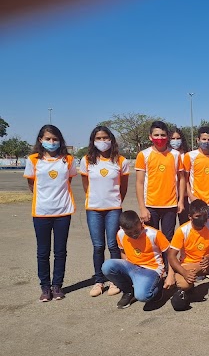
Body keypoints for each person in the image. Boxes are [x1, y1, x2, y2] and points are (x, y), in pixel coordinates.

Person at [24, 124, 77, 302]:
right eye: (48, 139)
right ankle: (45, 287)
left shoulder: (68, 159)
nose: (52, 142)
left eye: (55, 139)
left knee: (60, 251)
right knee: (43, 252)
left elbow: (68, 180)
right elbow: (32, 184)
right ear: (41, 140)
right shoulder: (33, 160)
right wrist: (45, 199)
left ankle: (57, 286)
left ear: (60, 140)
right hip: (41, 212)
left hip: (63, 211)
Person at [79, 125, 130, 297]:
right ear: (93, 141)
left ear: (111, 140)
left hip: (113, 209)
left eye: (105, 138)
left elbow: (123, 187)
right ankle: (99, 281)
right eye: (98, 138)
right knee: (98, 246)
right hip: (93, 208)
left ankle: (116, 281)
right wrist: (95, 198)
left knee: (113, 245)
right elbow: (86, 185)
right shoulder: (86, 160)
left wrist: (114, 200)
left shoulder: (121, 161)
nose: (102, 141)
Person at [166, 199, 209, 310]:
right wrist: (184, 272)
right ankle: (189, 289)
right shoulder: (182, 230)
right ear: (190, 216)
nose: (202, 219)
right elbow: (171, 256)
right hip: (188, 264)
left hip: (207, 262)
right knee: (184, 285)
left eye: (204, 216)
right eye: (197, 216)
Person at [101, 210, 170, 309]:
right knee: (107, 266)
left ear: (141, 223)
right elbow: (123, 251)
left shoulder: (154, 234)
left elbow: (170, 254)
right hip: (132, 266)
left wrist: (170, 275)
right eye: (129, 233)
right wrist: (127, 271)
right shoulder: (120, 234)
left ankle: (158, 285)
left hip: (151, 269)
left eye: (136, 231)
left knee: (143, 296)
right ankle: (128, 291)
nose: (133, 235)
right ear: (123, 229)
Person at [135, 120, 185, 242]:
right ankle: (154, 262)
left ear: (167, 137)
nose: (160, 138)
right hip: (151, 205)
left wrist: (181, 201)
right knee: (151, 239)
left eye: (163, 135)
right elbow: (139, 183)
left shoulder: (175, 155)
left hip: (170, 205)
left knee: (168, 239)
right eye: (156, 135)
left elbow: (182, 178)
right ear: (150, 137)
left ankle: (166, 262)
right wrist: (142, 208)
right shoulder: (143, 155)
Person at [183, 126, 209, 223]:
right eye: (204, 139)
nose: (206, 142)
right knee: (197, 231)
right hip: (196, 202)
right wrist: (191, 196)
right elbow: (185, 179)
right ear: (198, 140)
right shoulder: (190, 156)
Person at [170, 127, 190, 225]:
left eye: (178, 138)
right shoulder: (167, 155)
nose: (175, 141)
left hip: (185, 196)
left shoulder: (187, 155)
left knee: (185, 223)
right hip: (171, 196)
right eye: (173, 139)